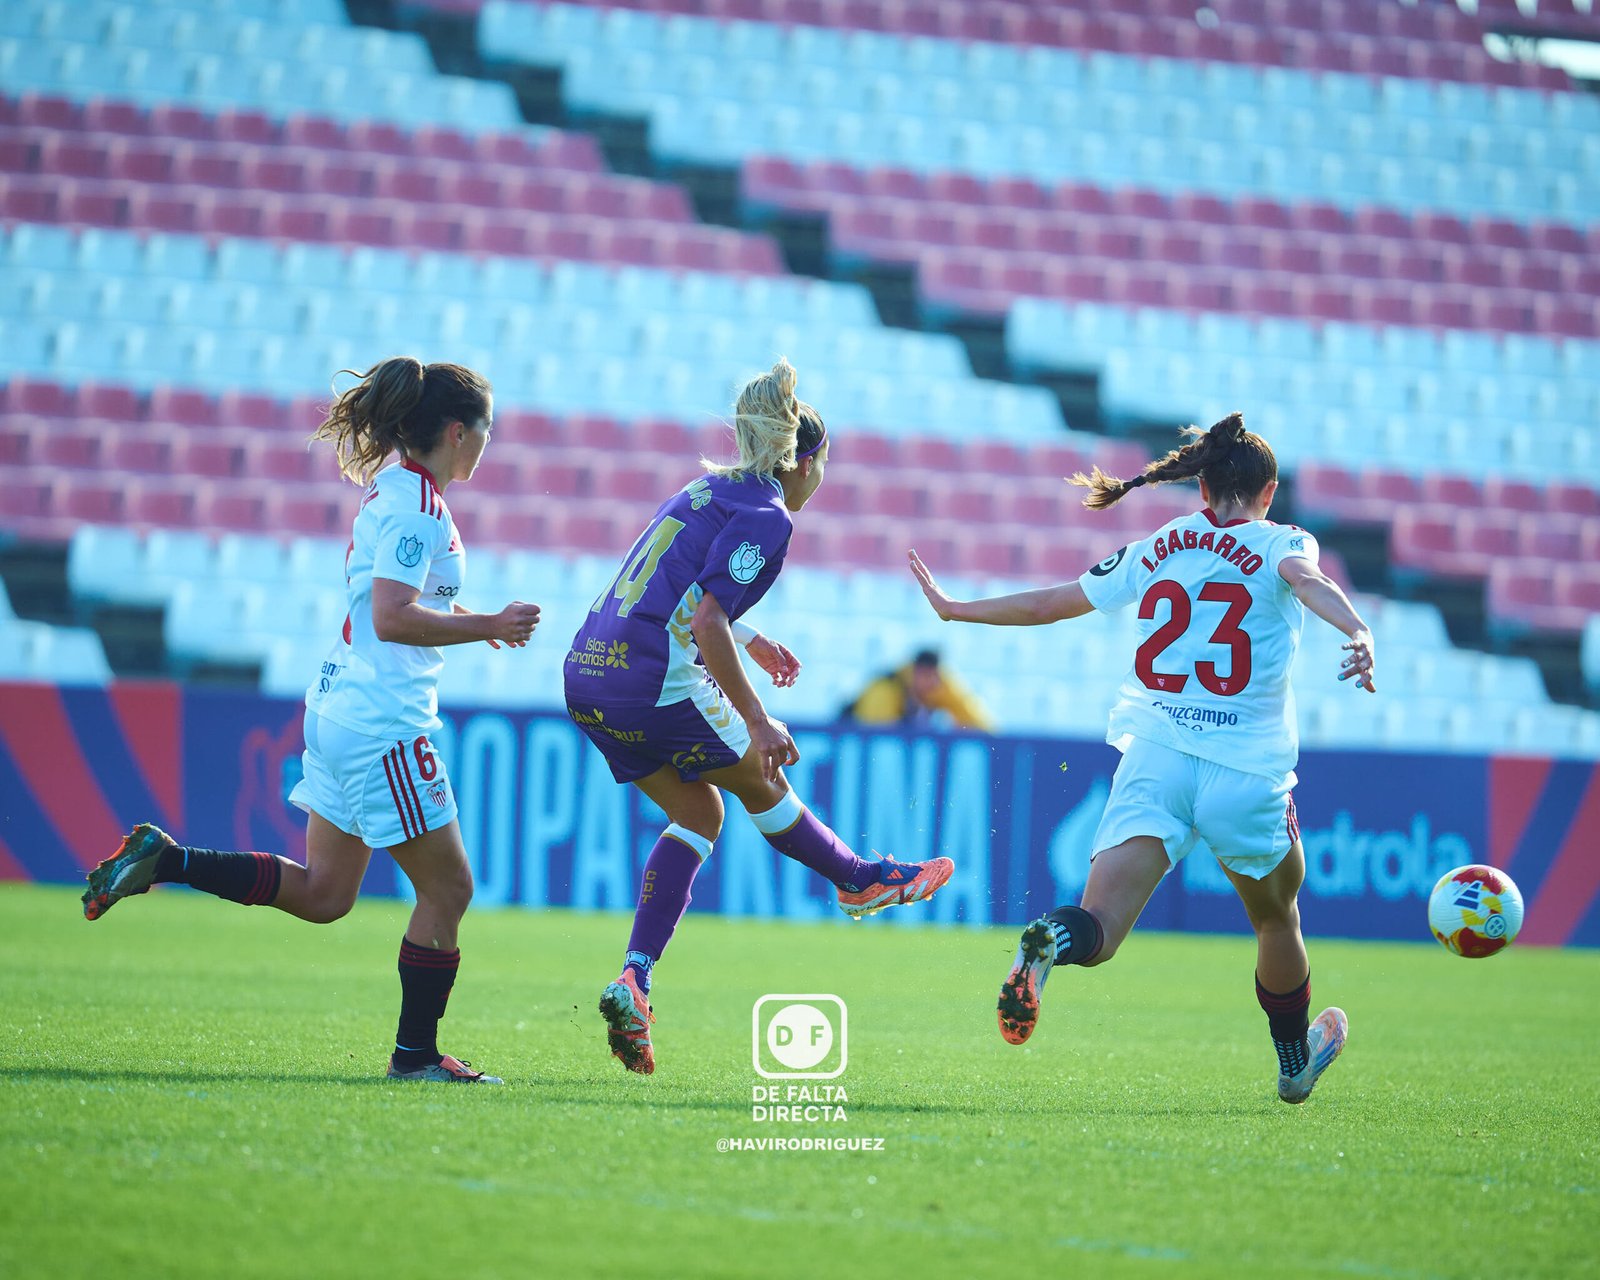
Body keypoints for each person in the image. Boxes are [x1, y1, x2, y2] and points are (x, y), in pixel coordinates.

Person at [82, 357, 541, 1084]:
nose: (489, 444)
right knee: (449, 889)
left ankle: (166, 860)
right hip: (383, 723)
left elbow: (390, 601)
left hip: (338, 705)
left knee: (327, 895)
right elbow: (392, 617)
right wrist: (486, 618)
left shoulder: (392, 489)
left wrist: (470, 624)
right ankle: (415, 1057)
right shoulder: (420, 507)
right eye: (487, 430)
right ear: (459, 432)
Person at [909, 412, 1376, 1105]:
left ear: (1203, 487)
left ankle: (1046, 941)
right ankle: (1291, 1065)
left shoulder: (1160, 543)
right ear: (1269, 490)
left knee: (1098, 928)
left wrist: (957, 610)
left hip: (1155, 757)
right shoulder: (1282, 540)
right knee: (1276, 919)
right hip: (1243, 772)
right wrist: (1358, 628)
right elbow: (1306, 580)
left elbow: (1052, 603)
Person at [567, 357, 955, 1075]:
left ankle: (635, 978)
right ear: (805, 461)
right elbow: (707, 618)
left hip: (588, 672)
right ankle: (857, 876)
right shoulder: (769, 517)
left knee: (700, 816)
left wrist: (751, 637)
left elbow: (675, 588)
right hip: (652, 679)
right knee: (762, 775)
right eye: (825, 464)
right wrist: (757, 716)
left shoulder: (706, 488)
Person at [847, 647, 994, 731]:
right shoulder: (884, 689)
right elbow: (877, 736)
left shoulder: (942, 685)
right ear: (914, 673)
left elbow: (983, 726)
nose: (929, 683)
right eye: (924, 675)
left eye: (932, 676)